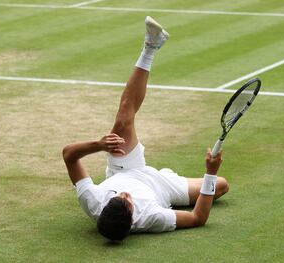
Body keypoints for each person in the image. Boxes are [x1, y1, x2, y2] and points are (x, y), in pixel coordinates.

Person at [62, 16, 229, 241]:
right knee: (220, 186)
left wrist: (99, 145)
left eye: (115, 197)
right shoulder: (152, 218)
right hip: (162, 188)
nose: (123, 194)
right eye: (127, 199)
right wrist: (210, 172)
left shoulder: (93, 202)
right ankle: (172, 176)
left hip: (124, 168)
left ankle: (151, 45)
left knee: (122, 119)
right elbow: (198, 218)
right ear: (133, 218)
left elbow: (69, 155)